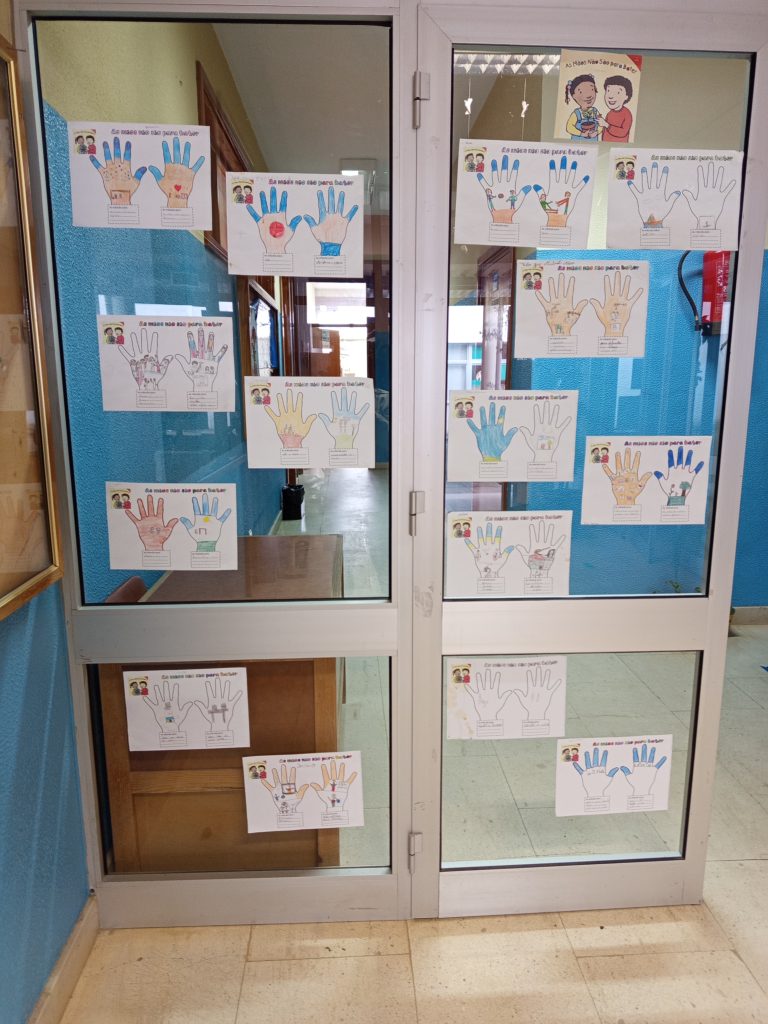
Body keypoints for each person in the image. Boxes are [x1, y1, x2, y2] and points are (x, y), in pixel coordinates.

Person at [564, 74, 600, 140]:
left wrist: (597, 132)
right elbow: (569, 127)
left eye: (592, 89)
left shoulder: (595, 111)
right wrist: (581, 133)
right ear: (574, 96)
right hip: (577, 143)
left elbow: (601, 124)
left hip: (593, 143)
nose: (588, 95)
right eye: (581, 92)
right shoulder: (576, 113)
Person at [599, 75, 634, 144]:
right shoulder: (610, 113)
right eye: (608, 91)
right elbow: (604, 130)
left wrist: (607, 125)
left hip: (619, 146)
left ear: (626, 96)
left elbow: (623, 132)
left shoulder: (627, 114)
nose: (611, 96)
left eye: (617, 92)